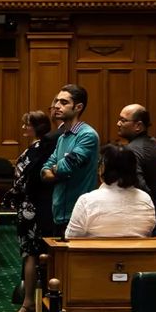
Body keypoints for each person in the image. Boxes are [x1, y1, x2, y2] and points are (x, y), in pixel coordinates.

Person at [8, 109, 55, 312]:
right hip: (48, 205)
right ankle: (42, 299)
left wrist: (12, 198)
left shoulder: (33, 151)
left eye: (26, 124)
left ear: (36, 127)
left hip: (30, 208)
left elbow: (20, 182)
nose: (23, 128)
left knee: (30, 254)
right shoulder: (52, 147)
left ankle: (27, 302)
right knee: (44, 253)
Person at [40, 83, 100, 235]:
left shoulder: (87, 135)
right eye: (57, 101)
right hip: (59, 211)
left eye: (64, 102)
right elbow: (44, 171)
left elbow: (64, 168)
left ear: (78, 107)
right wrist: (57, 169)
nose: (57, 106)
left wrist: (57, 169)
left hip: (78, 213)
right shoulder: (63, 137)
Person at [64, 143, 156, 239]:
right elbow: (148, 233)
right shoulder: (146, 199)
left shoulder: (87, 201)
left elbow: (70, 239)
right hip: (139, 253)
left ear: (102, 168)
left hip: (95, 253)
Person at [116, 104, 156, 203]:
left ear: (138, 126)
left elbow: (139, 185)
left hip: (146, 208)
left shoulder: (131, 150)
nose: (118, 124)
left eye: (123, 120)